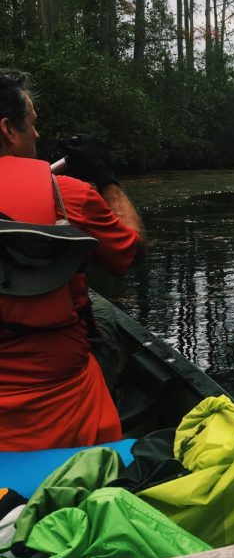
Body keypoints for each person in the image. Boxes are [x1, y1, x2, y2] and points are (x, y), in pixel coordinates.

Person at [0, 69, 146, 450]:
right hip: (63, 403)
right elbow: (132, 252)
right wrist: (105, 176)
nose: (37, 135)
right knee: (104, 310)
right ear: (7, 130)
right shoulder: (68, 196)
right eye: (31, 124)